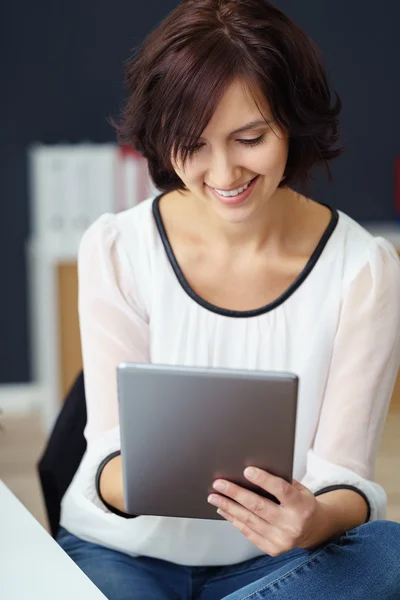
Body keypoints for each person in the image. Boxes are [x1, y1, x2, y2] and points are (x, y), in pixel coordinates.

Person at [57, 1, 400, 598]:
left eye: (250, 138)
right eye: (192, 144)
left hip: (275, 564)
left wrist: (312, 518)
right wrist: (141, 476)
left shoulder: (362, 268)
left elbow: (347, 480)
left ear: (292, 122)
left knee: (388, 553)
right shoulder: (118, 247)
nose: (223, 173)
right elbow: (108, 456)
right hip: (127, 553)